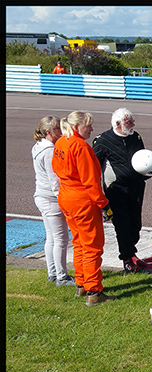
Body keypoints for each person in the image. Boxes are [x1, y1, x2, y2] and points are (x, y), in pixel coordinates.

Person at [52, 111, 116, 306]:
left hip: (66, 196)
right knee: (92, 246)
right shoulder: (81, 147)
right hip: (82, 200)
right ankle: (94, 291)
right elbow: (91, 183)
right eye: (88, 126)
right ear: (77, 126)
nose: (92, 129)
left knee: (78, 242)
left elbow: (56, 168)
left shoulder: (62, 142)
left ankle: (81, 283)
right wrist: (104, 205)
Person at [92, 108, 150, 273]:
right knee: (122, 225)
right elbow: (93, 167)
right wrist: (98, 192)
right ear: (118, 124)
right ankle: (126, 258)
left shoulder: (136, 136)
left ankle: (131, 252)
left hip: (137, 186)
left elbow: (143, 158)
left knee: (136, 225)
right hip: (116, 190)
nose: (133, 124)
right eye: (129, 122)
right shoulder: (102, 141)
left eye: (132, 121)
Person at [32, 115, 75, 287]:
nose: (61, 131)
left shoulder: (38, 146)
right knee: (60, 239)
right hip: (51, 199)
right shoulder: (49, 151)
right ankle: (61, 276)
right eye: (58, 128)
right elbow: (54, 181)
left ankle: (53, 273)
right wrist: (64, 201)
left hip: (42, 196)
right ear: (49, 131)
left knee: (51, 237)